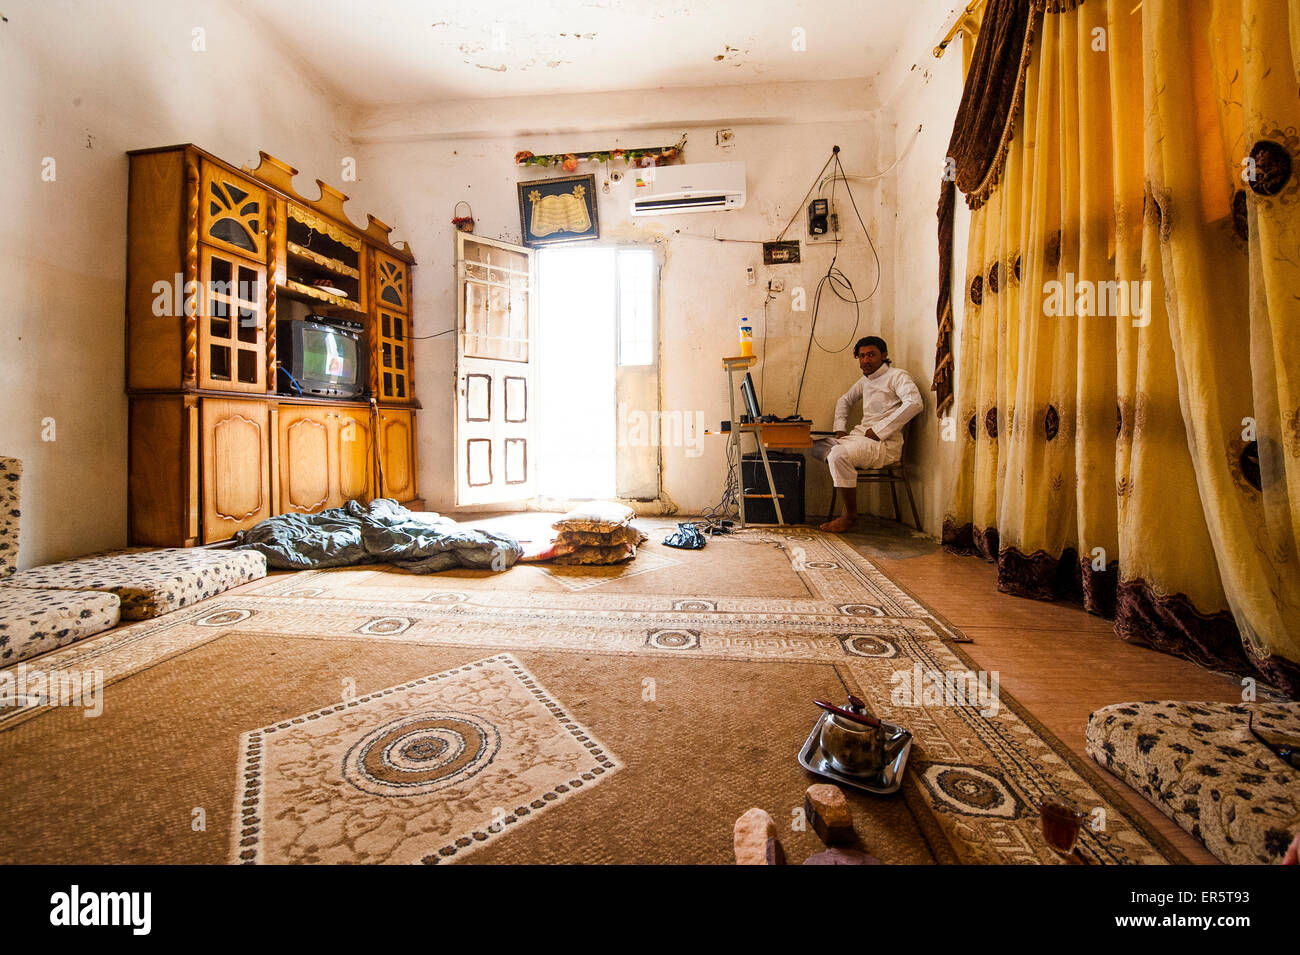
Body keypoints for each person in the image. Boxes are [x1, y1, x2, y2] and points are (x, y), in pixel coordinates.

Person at [811, 336, 923, 533]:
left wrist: (879, 431)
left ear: (884, 355)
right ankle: (844, 468)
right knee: (815, 446)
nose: (865, 360)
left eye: (871, 355)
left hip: (883, 445)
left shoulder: (898, 376)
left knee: (837, 455)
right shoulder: (866, 380)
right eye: (861, 356)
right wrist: (840, 427)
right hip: (861, 438)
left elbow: (914, 403)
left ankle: (850, 516)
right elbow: (844, 400)